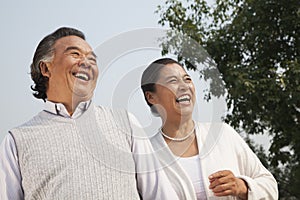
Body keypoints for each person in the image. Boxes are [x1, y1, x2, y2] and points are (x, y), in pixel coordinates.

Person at [0, 27, 141, 199]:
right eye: (75, 54)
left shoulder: (126, 123)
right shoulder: (16, 141)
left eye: (91, 59)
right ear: (45, 68)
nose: (86, 63)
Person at [136, 58, 278, 200]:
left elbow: (270, 187)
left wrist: (241, 186)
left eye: (187, 79)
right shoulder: (147, 155)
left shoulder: (223, 135)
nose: (184, 86)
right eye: (173, 81)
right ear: (151, 97)